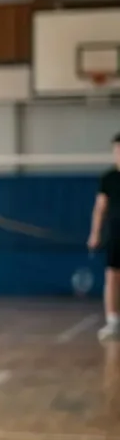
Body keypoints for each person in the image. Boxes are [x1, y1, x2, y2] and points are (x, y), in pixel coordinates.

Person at [88, 133, 120, 340]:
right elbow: (100, 208)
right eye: (116, 151)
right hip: (116, 235)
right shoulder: (108, 178)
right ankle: (113, 322)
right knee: (112, 277)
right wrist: (95, 233)